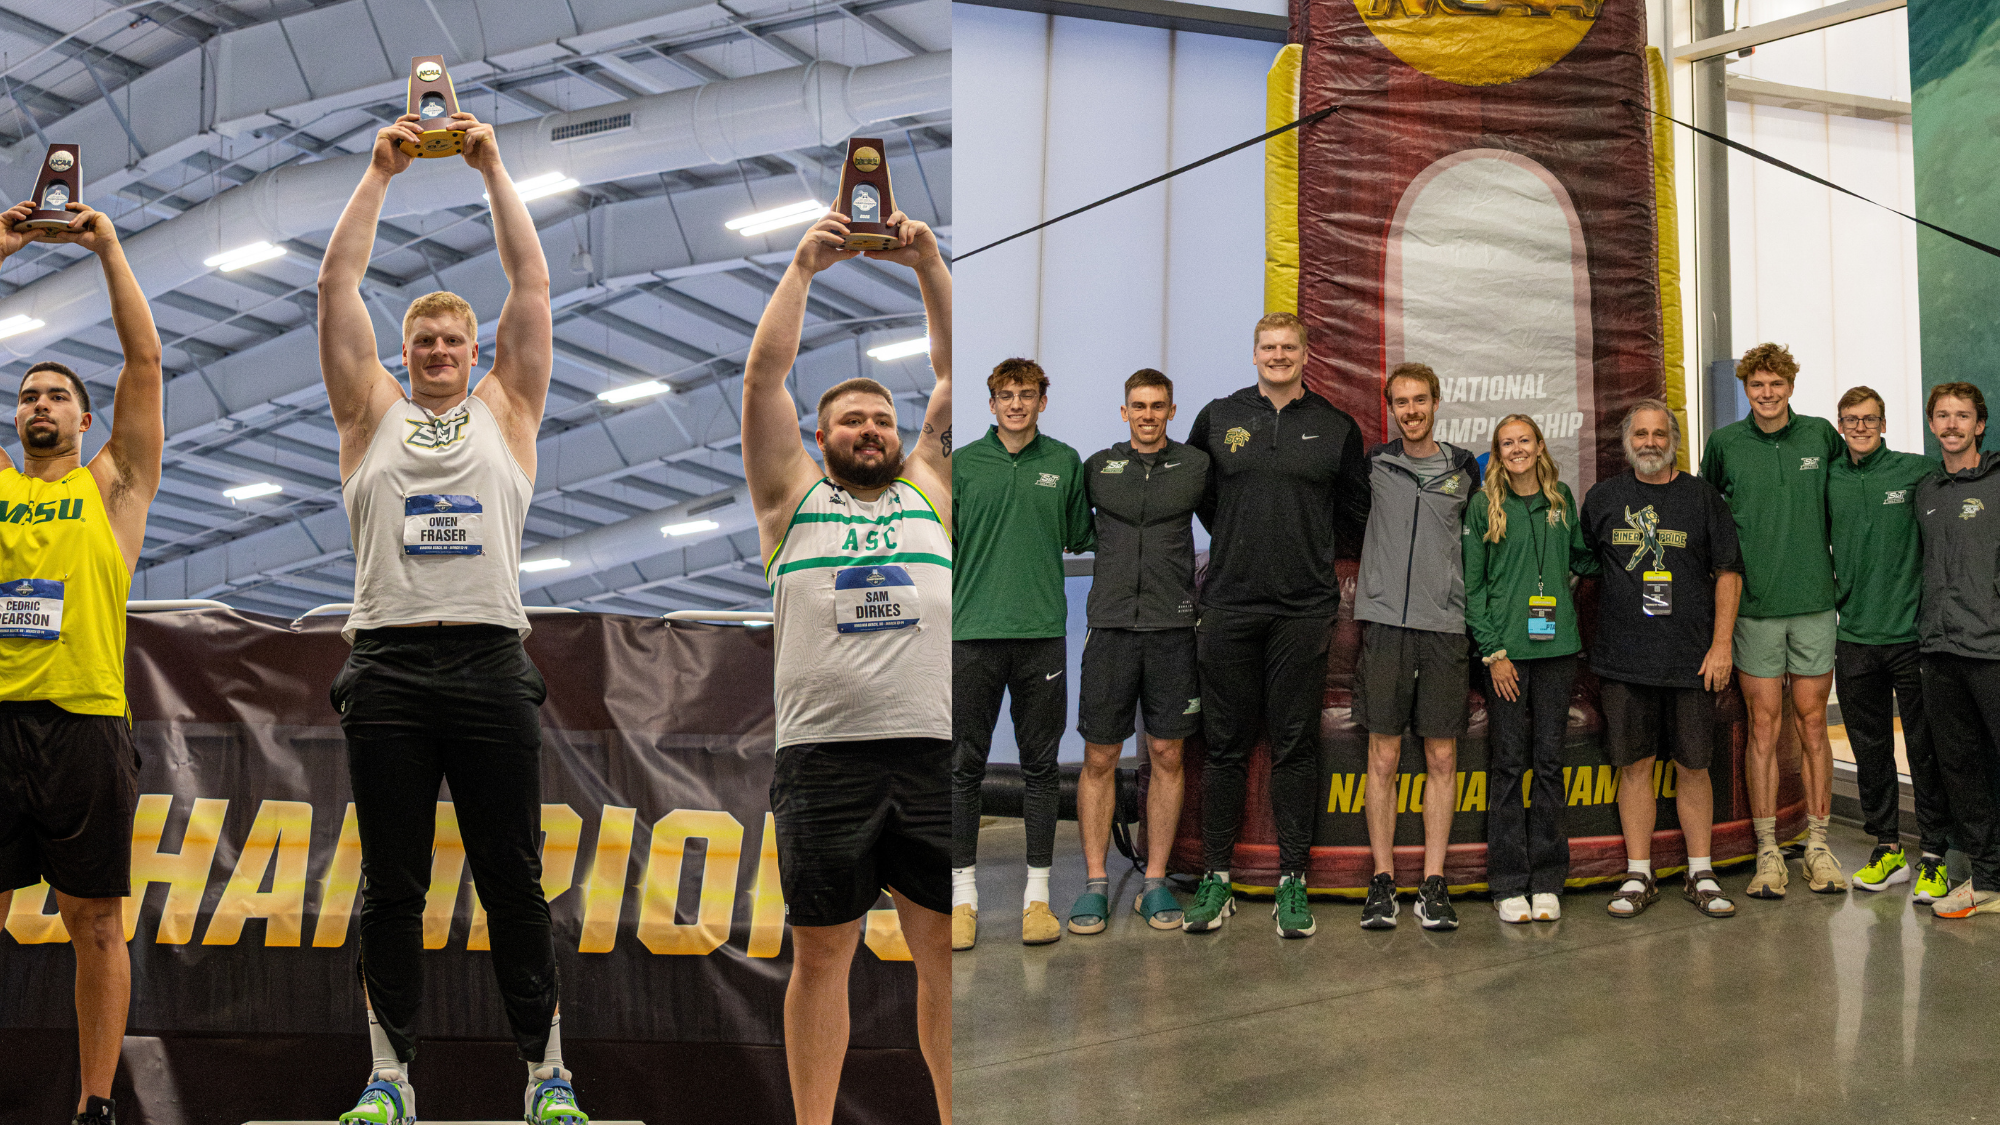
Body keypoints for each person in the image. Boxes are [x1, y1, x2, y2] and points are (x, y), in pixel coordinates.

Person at [317, 111, 580, 1125]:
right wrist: (379, 173)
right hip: (384, 667)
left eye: (450, 340)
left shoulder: (507, 411)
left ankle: (545, 1077)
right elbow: (335, 286)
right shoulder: (366, 415)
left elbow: (533, 287)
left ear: (476, 353)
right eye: (420, 339)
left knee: (513, 881)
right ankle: (390, 1080)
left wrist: (494, 167)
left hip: (486, 663)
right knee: (393, 891)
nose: (435, 350)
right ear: (402, 351)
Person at [742, 210, 953, 1121]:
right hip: (825, 756)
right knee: (822, 955)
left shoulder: (930, 488)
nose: (869, 429)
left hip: (931, 753)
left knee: (942, 950)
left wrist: (930, 262)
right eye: (850, 420)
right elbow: (762, 378)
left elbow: (953, 374)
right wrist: (803, 265)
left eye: (881, 419)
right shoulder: (791, 499)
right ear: (820, 436)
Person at [0, 199, 163, 1125]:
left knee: (95, 921)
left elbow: (144, 362)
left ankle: (94, 1105)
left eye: (57, 394)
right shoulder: (0, 483)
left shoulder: (114, 483)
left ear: (87, 416)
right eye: (26, 394)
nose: (39, 405)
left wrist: (106, 246)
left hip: (85, 719)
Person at [1181, 312, 1371, 939]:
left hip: (1304, 610)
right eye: (1268, 347)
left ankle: (1293, 880)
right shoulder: (1217, 418)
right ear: (1254, 353)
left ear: (1306, 354)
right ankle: (1216, 876)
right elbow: (1204, 500)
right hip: (1230, 605)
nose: (1279, 356)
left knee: (1295, 746)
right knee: (1226, 746)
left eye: (1289, 347)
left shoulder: (1335, 427)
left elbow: (1353, 513)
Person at [951, 359, 1093, 948]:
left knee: (1041, 769)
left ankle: (1038, 900)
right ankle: (962, 901)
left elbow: (1078, 536)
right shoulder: (960, 466)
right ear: (990, 404)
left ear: (1041, 401)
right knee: (963, 770)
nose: (1016, 404)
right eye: (1006, 395)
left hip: (1041, 636)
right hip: (970, 635)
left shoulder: (1063, 463)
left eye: (1026, 394)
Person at [1698, 343, 1847, 898]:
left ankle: (1819, 845)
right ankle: (1767, 852)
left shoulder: (1820, 437)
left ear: (1790, 386)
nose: (1766, 394)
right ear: (1744, 388)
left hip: (1814, 605)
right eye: (1756, 385)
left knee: (1812, 722)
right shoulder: (1725, 444)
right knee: (1763, 727)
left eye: (1775, 384)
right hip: (1754, 611)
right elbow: (1708, 517)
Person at [1583, 401, 1741, 920]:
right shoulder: (1604, 498)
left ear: (1673, 439)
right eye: (1641, 434)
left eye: (1659, 434)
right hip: (1624, 661)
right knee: (1635, 769)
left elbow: (1728, 572)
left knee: (1695, 767)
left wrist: (1721, 645)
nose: (1650, 442)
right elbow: (1581, 568)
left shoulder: (1702, 497)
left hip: (1692, 661)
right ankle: (1639, 873)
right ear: (1627, 440)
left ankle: (1701, 872)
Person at [1069, 369, 1208, 935]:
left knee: (1167, 754)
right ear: (1124, 412)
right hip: (1109, 629)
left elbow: (1229, 522)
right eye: (1138, 406)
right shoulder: (1097, 468)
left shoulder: (1196, 467)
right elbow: (1074, 531)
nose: (1148, 415)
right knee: (1100, 758)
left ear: (1172, 412)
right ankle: (1096, 884)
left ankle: (1154, 881)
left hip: (1173, 631)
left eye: (1158, 406)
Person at [1352, 363, 1479, 931]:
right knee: (1382, 757)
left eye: (1420, 399)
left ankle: (1433, 883)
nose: (1411, 410)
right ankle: (1382, 882)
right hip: (1383, 626)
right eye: (1400, 402)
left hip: (1445, 629)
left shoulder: (1463, 467)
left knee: (1442, 757)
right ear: (1391, 408)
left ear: (1436, 402)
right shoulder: (1375, 466)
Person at [1462, 414, 1597, 924]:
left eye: (1524, 441)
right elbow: (1473, 588)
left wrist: (1626, 553)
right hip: (1507, 658)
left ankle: (1547, 879)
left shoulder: (1560, 498)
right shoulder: (1483, 505)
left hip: (1557, 651)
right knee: (1507, 766)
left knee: (1548, 766)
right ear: (1497, 453)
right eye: (1506, 444)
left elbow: (1583, 558)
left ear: (1540, 445)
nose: (1516, 450)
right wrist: (1493, 652)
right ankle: (1507, 882)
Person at [1827, 385, 1950, 901]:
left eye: (1869, 418)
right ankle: (1887, 848)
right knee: (1870, 749)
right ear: (1840, 426)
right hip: (1853, 636)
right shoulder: (1829, 478)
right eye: (1852, 419)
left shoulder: (1915, 471)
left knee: (1924, 750)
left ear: (1883, 423)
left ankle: (1937, 855)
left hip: (1911, 638)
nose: (1860, 427)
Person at [1915, 383, 2000, 919]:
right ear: (1931, 424)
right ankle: (1988, 879)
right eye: (1942, 415)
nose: (1952, 425)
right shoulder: (1927, 490)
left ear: (1980, 424)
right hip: (1939, 652)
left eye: (1962, 416)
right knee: (1962, 770)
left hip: (1992, 651)